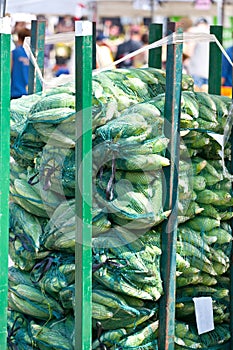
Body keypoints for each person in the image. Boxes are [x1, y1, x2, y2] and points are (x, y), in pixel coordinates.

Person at [183, 17, 210, 90]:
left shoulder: (194, 32)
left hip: (196, 74)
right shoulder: (211, 33)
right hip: (209, 74)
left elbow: (188, 52)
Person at [11, 27, 31, 99]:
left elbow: (8, 71)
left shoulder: (14, 53)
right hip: (30, 92)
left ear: (19, 38)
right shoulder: (33, 54)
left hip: (16, 91)